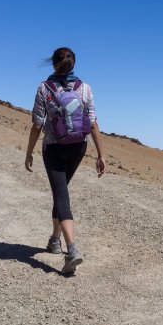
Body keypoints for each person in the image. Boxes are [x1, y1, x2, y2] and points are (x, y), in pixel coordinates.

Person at [24, 47, 106, 275]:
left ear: (53, 63)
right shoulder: (85, 88)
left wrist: (29, 151)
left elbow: (37, 124)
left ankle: (71, 250)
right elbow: (93, 123)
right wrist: (101, 155)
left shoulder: (45, 88)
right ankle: (54, 240)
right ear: (74, 64)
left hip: (54, 148)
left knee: (61, 194)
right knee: (61, 191)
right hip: (78, 148)